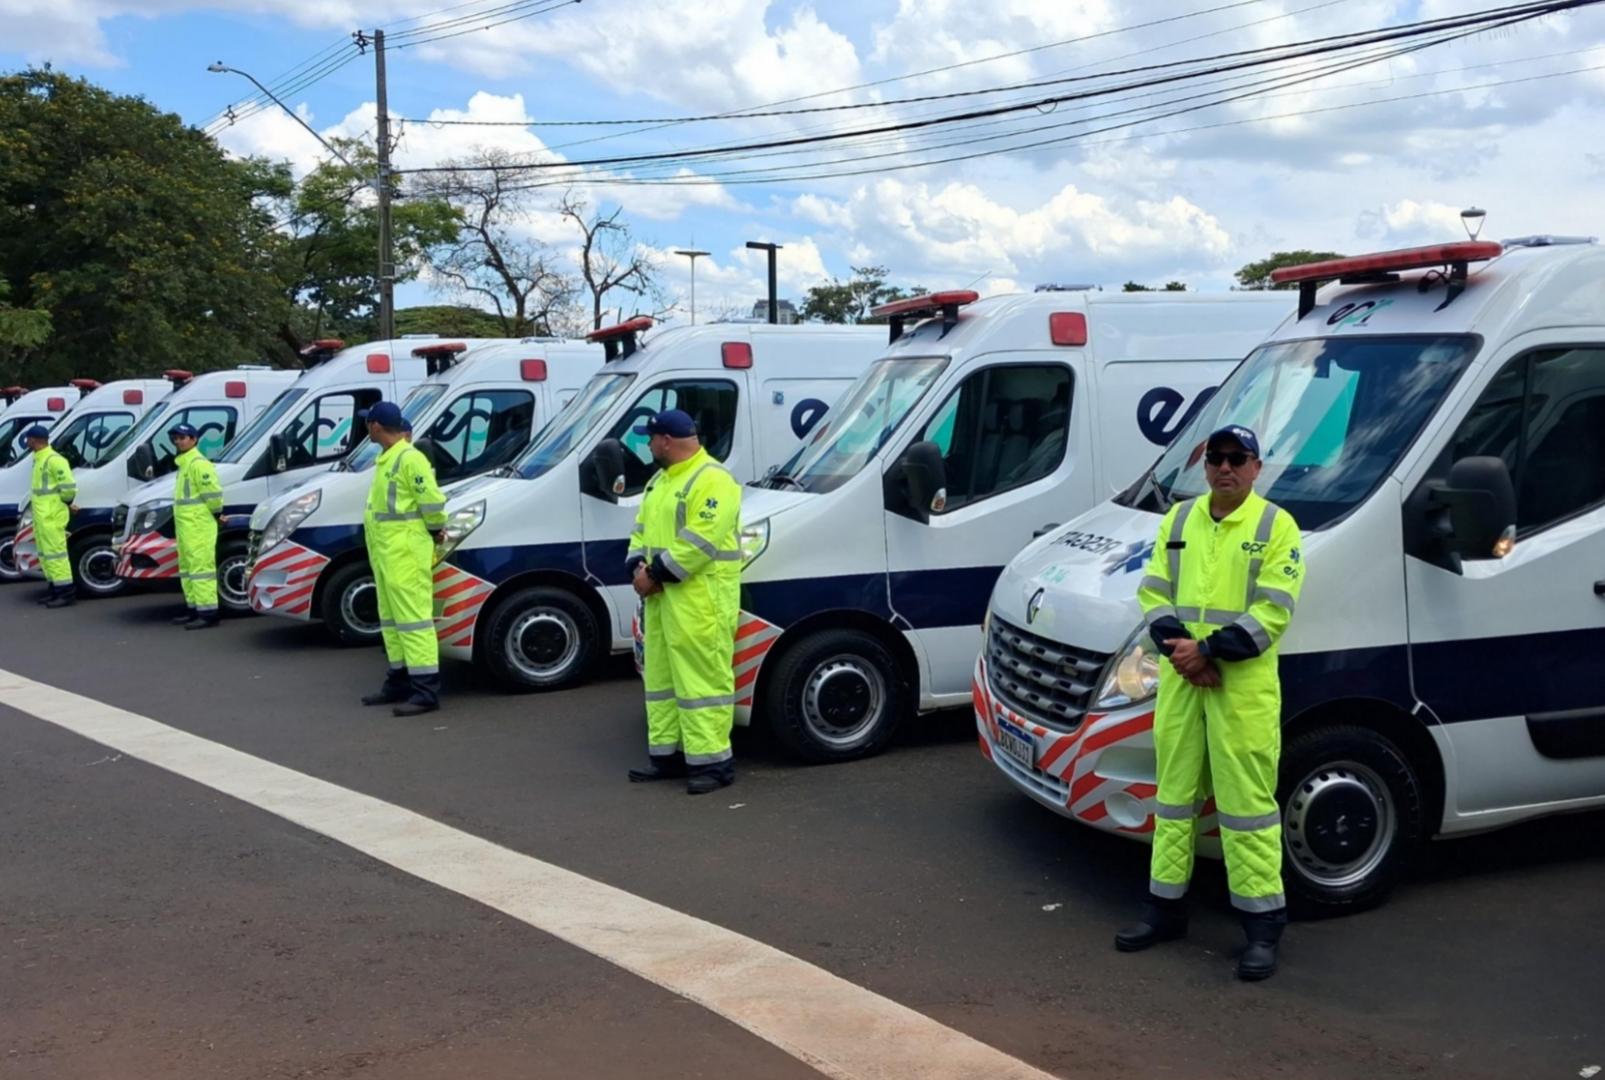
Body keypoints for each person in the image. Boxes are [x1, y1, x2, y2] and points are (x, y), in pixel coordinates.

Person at [1116, 425, 1304, 981]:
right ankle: (1164, 911)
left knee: (1246, 809)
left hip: (1239, 688)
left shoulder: (1277, 527)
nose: (1225, 468)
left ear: (1255, 467)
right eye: (1216, 458)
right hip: (1181, 681)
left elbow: (1274, 611)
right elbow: (1153, 591)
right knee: (1172, 799)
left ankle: (1263, 929)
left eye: (1237, 459)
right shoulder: (1179, 519)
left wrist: (1208, 652)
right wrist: (1181, 650)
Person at [624, 409, 743, 795]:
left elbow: (702, 539)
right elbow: (640, 531)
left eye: (650, 439)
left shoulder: (713, 479)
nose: (647, 445)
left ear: (666, 441)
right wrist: (637, 567)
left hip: (700, 599)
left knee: (701, 680)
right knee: (661, 679)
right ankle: (668, 757)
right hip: (663, 598)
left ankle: (714, 763)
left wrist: (653, 575)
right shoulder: (660, 481)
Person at [359, 402, 448, 717]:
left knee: (414, 620)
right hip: (389, 552)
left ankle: (426, 691)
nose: (365, 428)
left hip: (405, 551)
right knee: (392, 620)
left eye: (366, 423)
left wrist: (435, 529)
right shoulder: (388, 459)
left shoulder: (410, 458)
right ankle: (398, 682)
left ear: (376, 426)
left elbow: (433, 501)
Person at [169, 423, 225, 629]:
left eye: (182, 438)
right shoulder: (185, 463)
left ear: (194, 439)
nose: (178, 442)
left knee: (201, 569)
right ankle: (194, 609)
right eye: (176, 439)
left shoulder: (198, 464)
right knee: (187, 568)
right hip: (187, 525)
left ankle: (208, 613)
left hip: (198, 524)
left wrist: (217, 512)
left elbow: (213, 493)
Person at [23, 425, 78, 608]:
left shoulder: (54, 460)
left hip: (51, 515)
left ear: (35, 440)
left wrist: (67, 503)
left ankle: (66, 593)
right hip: (43, 516)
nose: (27, 442)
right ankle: (55, 589)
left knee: (56, 554)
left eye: (28, 438)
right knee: (47, 555)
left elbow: (69, 487)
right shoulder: (39, 459)